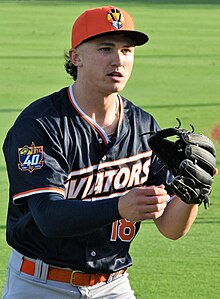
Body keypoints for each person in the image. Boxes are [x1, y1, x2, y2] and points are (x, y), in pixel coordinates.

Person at [2, 6, 199, 299]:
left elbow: (171, 228)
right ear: (75, 57)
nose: (118, 60)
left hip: (114, 285)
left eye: (126, 50)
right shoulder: (39, 125)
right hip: (40, 284)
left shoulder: (144, 127)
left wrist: (190, 193)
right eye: (105, 48)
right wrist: (119, 206)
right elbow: (48, 217)